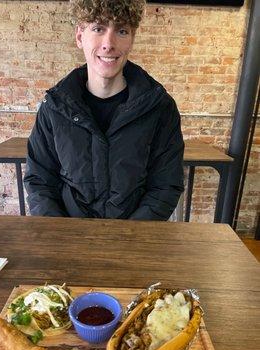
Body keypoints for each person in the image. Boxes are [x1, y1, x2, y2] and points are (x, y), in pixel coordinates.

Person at [24, 0, 184, 220]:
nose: (109, 43)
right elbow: (40, 182)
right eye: (98, 28)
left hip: (133, 242)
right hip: (68, 241)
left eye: (121, 30)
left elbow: (165, 186)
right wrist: (61, 237)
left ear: (132, 39)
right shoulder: (54, 107)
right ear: (80, 36)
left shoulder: (160, 108)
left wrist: (126, 238)